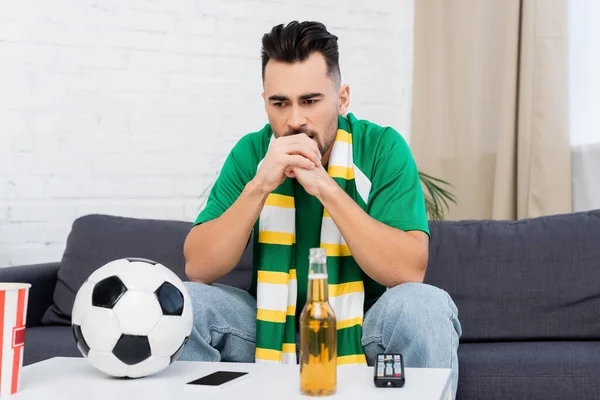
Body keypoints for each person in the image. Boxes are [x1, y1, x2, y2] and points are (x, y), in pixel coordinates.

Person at [181, 20, 462, 398]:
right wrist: (261, 184)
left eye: (311, 101)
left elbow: (409, 269)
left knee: (424, 306)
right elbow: (199, 266)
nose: (295, 120)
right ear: (265, 101)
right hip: (269, 328)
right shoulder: (252, 154)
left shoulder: (381, 148)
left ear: (342, 98)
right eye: (280, 103)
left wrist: (327, 188)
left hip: (363, 327)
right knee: (188, 304)